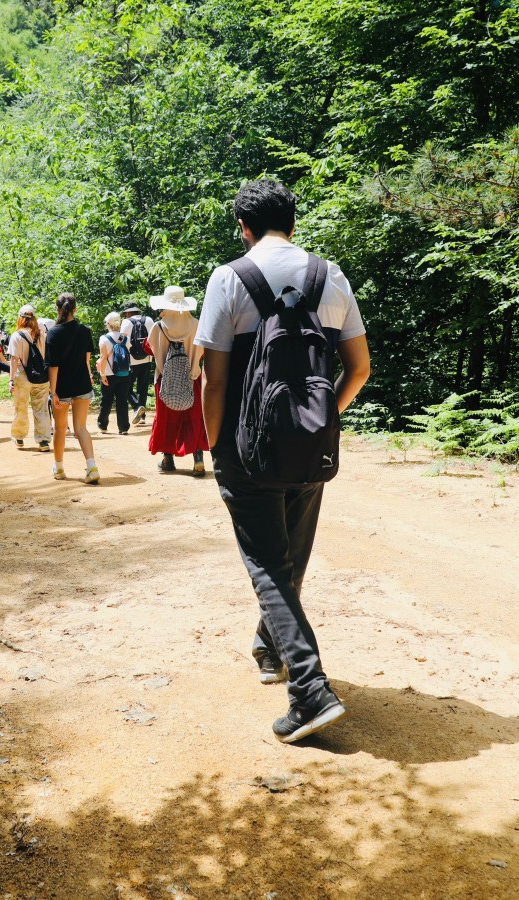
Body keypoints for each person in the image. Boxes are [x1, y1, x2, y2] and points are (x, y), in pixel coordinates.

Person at [195, 178, 370, 743]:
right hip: (311, 444)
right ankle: (270, 647)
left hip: (245, 445)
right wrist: (322, 419)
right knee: (289, 555)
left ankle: (310, 690)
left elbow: (214, 379)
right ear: (293, 222)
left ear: (243, 228)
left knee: (268, 564)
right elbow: (360, 368)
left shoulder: (230, 277)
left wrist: (215, 443)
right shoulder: (330, 275)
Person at [148, 286, 208, 475]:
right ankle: (198, 458)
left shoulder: (159, 326)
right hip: (193, 378)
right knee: (194, 417)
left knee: (167, 418)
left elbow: (148, 348)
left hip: (166, 380)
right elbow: (204, 350)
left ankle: (168, 459)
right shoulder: (196, 324)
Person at [45, 293, 99, 483]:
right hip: (82, 384)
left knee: (60, 428)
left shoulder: (53, 333)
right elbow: (86, 360)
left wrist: (53, 392)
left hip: (62, 388)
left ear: (58, 309)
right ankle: (92, 467)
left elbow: (53, 366)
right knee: (81, 428)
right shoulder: (84, 330)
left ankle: (59, 468)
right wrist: (89, 377)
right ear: (75, 309)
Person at [7, 305, 52, 451]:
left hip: (23, 376)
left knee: (21, 407)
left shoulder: (16, 336)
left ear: (20, 318)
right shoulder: (42, 334)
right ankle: (43, 441)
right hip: (41, 376)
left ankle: (19, 437)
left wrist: (11, 379)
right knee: (41, 408)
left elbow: (14, 359)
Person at [120, 302, 155, 425]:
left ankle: (136, 406)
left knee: (125, 387)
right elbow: (153, 338)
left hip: (131, 360)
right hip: (147, 358)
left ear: (128, 312)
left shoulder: (126, 322)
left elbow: (122, 340)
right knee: (142, 387)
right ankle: (142, 416)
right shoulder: (149, 320)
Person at [97, 312, 132, 435]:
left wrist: (102, 374)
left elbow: (103, 357)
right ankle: (123, 427)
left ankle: (103, 425)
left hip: (109, 374)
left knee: (106, 400)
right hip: (124, 373)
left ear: (108, 324)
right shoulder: (125, 338)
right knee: (122, 400)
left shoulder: (104, 338)